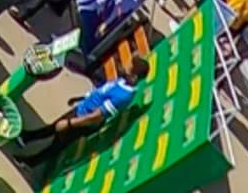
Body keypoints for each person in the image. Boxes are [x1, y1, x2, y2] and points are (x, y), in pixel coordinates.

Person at [14, 56, 150, 162]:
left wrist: (70, 123)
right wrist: (80, 99)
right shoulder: (123, 80)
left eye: (130, 64)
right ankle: (26, 138)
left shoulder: (123, 95)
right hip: (81, 109)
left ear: (134, 75)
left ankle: (30, 162)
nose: (127, 64)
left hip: (83, 121)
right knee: (53, 127)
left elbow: (97, 116)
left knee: (57, 144)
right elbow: (100, 92)